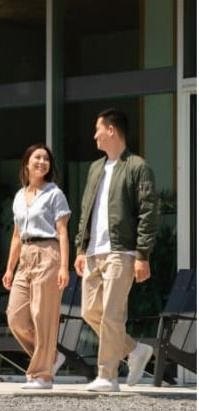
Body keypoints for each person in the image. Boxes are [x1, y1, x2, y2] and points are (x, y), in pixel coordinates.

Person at [74, 108, 157, 392]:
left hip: (122, 252)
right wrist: (81, 249)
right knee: (89, 310)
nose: (94, 135)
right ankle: (134, 350)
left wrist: (142, 254)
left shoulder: (137, 166)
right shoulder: (95, 168)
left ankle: (107, 376)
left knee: (111, 314)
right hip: (94, 253)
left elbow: (148, 212)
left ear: (111, 130)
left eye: (98, 129)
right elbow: (87, 209)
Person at [2, 144, 71, 390]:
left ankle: (43, 375)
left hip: (48, 253)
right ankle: (51, 357)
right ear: (26, 164)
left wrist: (64, 266)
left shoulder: (54, 194)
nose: (42, 162)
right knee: (16, 316)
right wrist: (10, 268)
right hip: (25, 256)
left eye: (46, 159)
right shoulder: (20, 196)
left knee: (43, 315)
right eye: (37, 158)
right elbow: (16, 235)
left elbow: (63, 232)